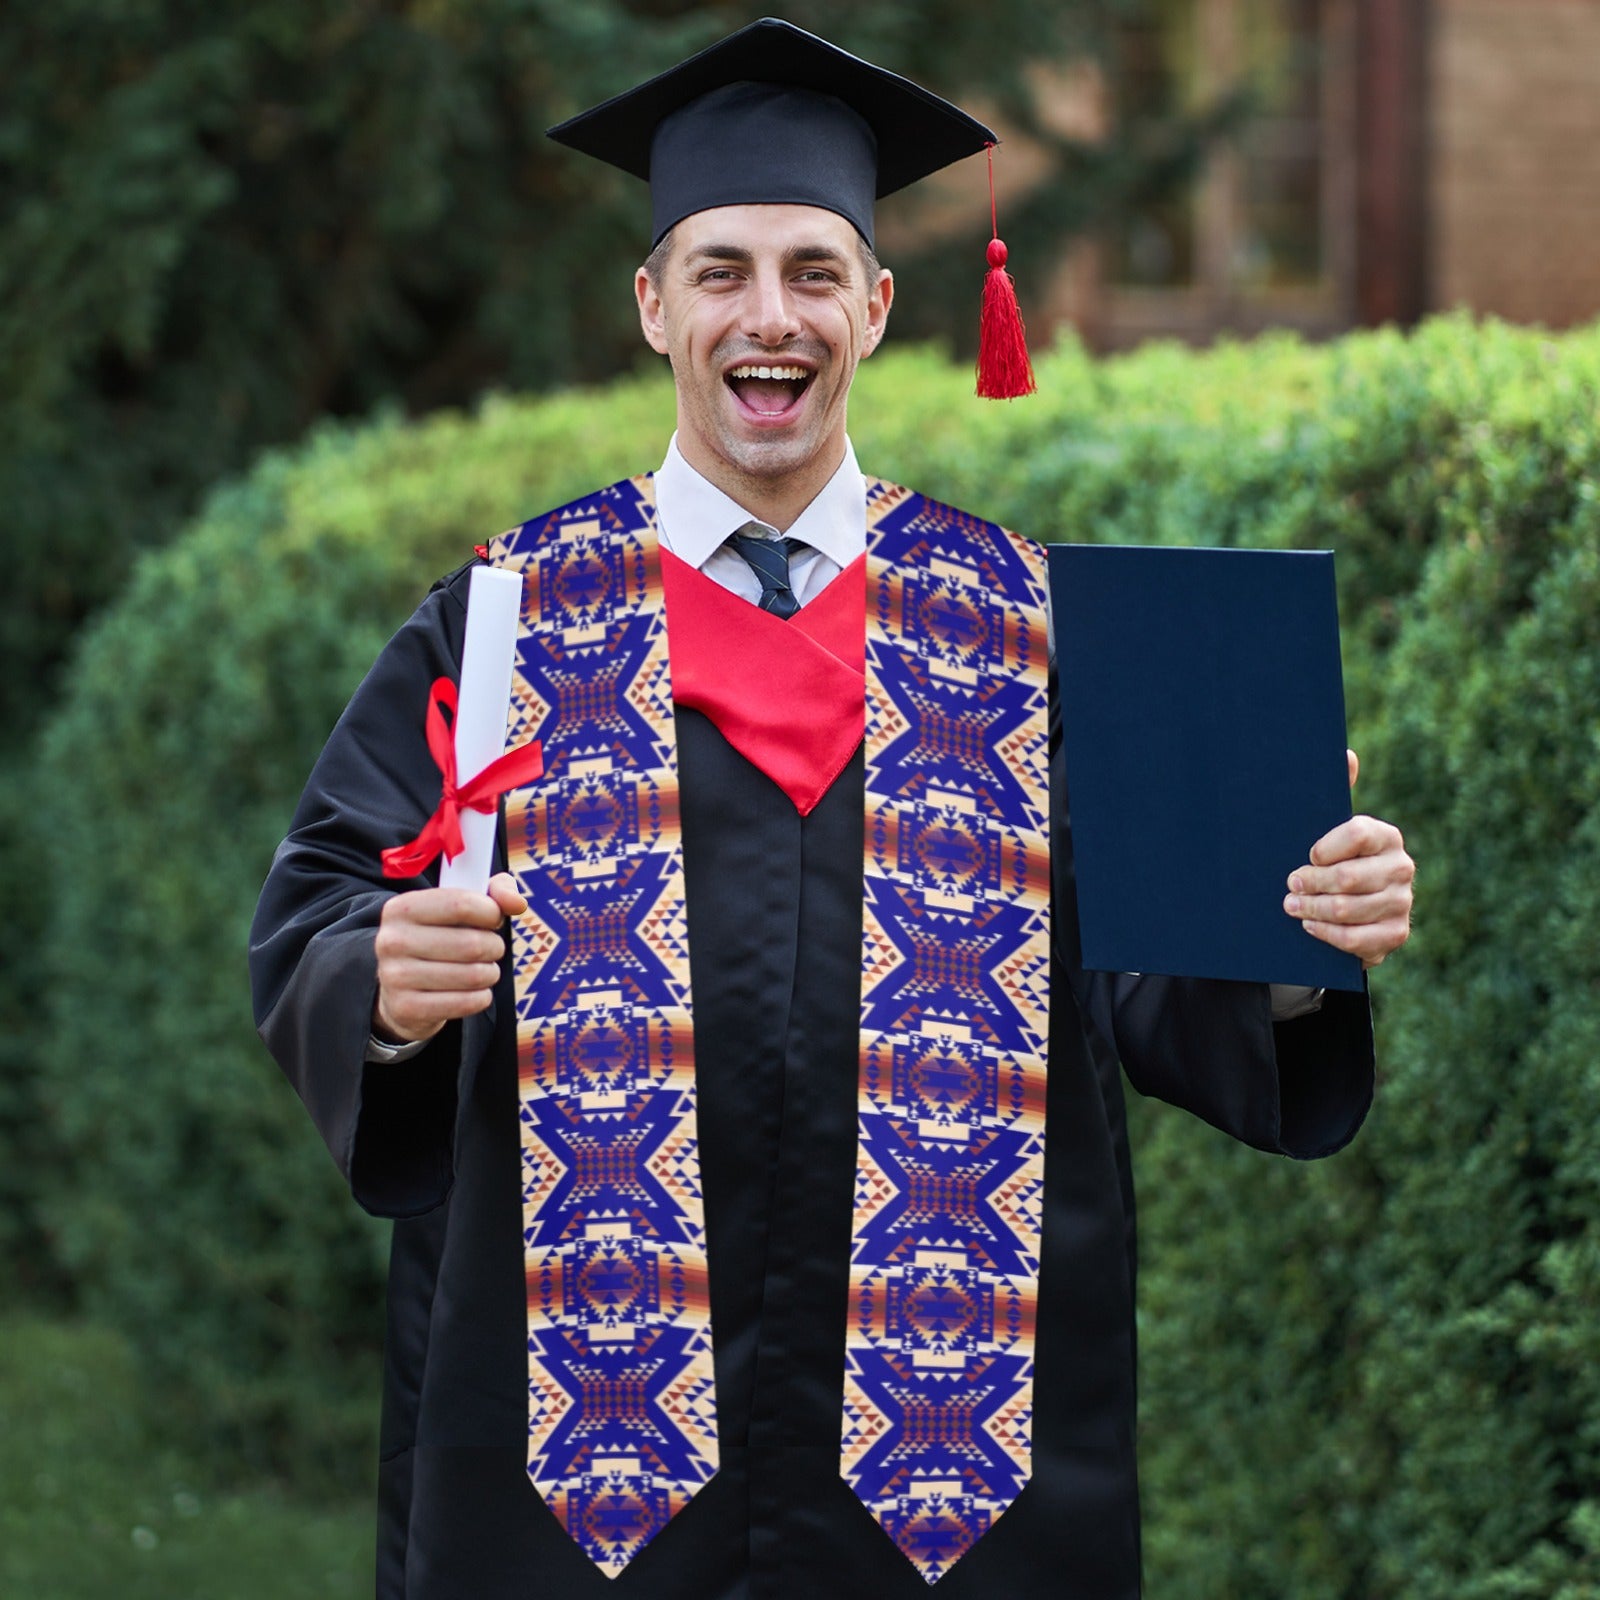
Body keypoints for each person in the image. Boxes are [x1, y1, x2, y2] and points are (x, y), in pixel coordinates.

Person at [250, 19, 1414, 1600]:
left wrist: (1292, 933)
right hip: (578, 1479)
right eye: (721, 270)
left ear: (876, 305)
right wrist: (379, 984)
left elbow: (1152, 979)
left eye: (812, 271)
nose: (768, 316)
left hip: (957, 1482)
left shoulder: (1026, 625)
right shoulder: (511, 619)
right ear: (654, 305)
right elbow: (324, 901)